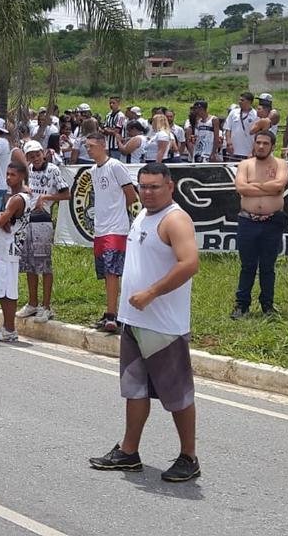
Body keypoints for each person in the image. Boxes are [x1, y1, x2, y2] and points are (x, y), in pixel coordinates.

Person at [89, 162, 201, 483]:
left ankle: (189, 456)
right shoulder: (144, 214)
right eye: (144, 186)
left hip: (163, 325)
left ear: (171, 186)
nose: (148, 192)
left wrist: (152, 292)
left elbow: (190, 263)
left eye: (155, 186)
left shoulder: (175, 219)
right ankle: (129, 451)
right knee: (134, 389)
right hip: (133, 320)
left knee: (176, 393)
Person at [232, 131, 288, 319]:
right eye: (258, 142)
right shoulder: (245, 164)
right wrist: (267, 186)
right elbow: (241, 187)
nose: (261, 146)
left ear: (273, 145)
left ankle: (267, 306)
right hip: (248, 221)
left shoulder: (280, 164)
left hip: (272, 222)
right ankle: (242, 305)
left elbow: (279, 186)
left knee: (267, 266)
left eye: (265, 143)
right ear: (254, 144)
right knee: (247, 265)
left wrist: (253, 185)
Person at [86, 133, 138, 334]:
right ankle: (112, 311)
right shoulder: (93, 170)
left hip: (115, 228)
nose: (88, 150)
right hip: (100, 228)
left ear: (102, 146)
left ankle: (112, 315)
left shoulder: (115, 166)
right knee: (106, 274)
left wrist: (117, 211)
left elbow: (131, 195)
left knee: (112, 271)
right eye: (87, 146)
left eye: (91, 146)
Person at [15, 141, 70, 323]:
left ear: (43, 153)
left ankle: (46, 306)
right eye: (31, 156)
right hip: (26, 219)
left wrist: (46, 197)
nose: (35, 159)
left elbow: (66, 194)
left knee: (44, 264)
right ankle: (32, 302)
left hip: (43, 220)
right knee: (29, 265)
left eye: (37, 155)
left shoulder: (53, 170)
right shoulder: (27, 171)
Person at [0, 162, 32, 342]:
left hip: (10, 248)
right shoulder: (21, 196)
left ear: (21, 176)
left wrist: (0, 216)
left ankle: (10, 328)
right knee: (3, 289)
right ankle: (6, 326)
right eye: (7, 174)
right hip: (9, 247)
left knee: (7, 291)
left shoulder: (17, 198)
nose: (9, 178)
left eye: (13, 175)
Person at [223, 92, 258, 160]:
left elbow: (258, 134)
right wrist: (229, 143)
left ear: (249, 102)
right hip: (233, 152)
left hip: (248, 153)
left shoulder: (255, 115)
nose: (239, 102)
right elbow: (228, 129)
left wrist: (253, 151)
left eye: (242, 100)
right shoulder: (233, 112)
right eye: (239, 100)